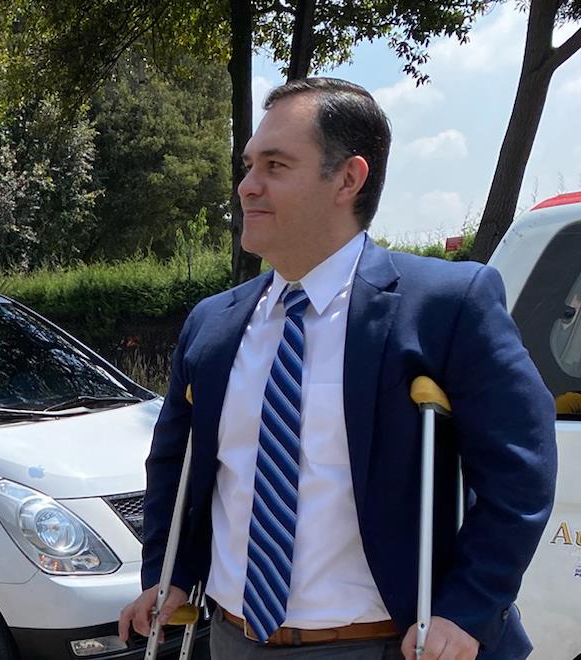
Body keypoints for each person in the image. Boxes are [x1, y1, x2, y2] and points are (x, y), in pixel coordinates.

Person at [118, 78, 557, 659]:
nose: (248, 186)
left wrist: (467, 609)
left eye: (276, 165)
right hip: (229, 639)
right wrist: (169, 570)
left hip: (378, 645)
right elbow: (174, 462)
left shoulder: (447, 305)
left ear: (348, 179)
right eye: (249, 165)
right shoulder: (212, 325)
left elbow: (520, 473)